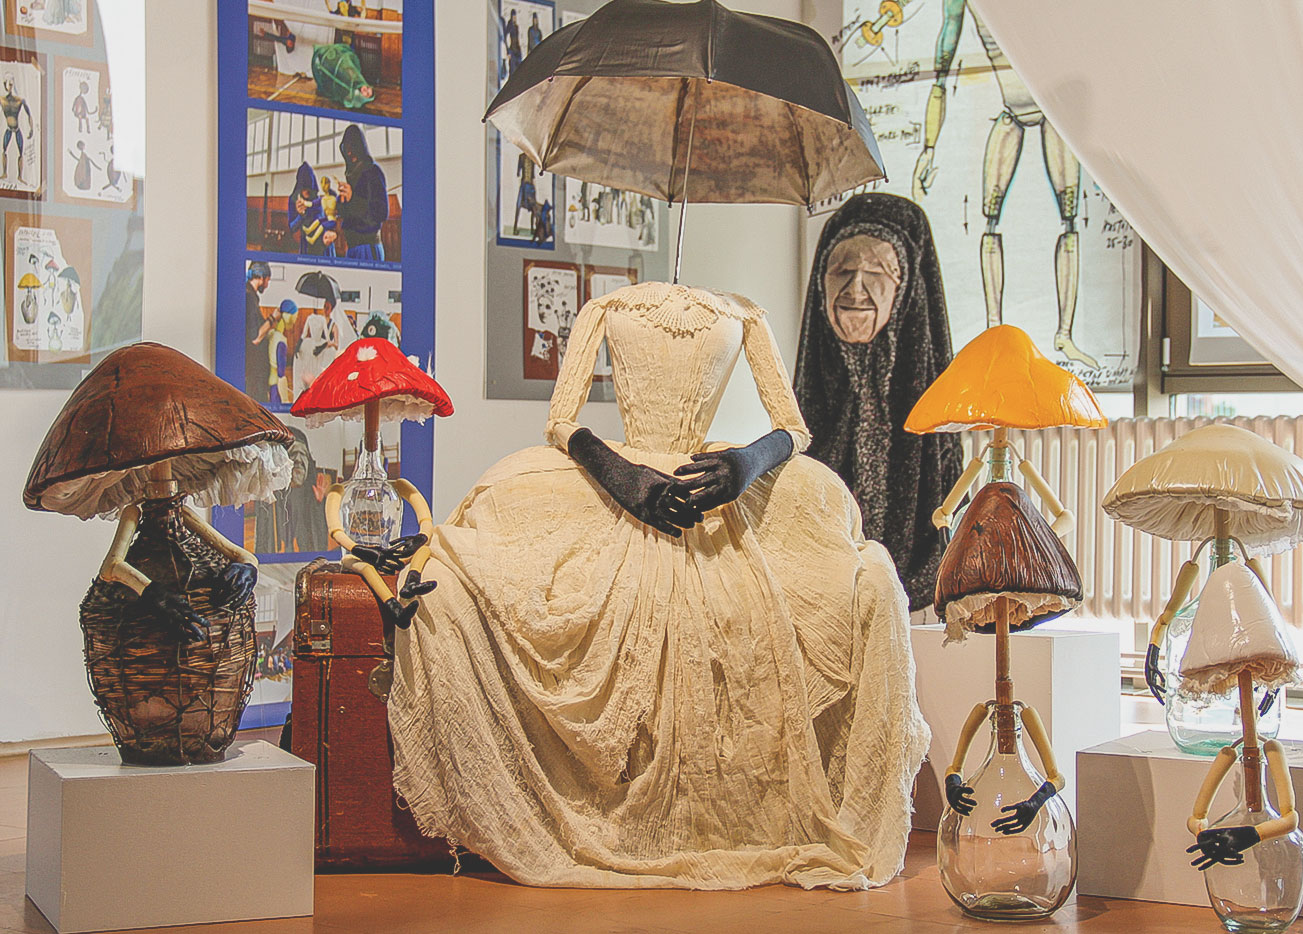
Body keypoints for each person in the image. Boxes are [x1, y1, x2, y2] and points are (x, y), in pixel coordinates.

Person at [389, 281, 929, 889]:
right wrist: (621, 476)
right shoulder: (608, 306)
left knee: (859, 576)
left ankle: (742, 813)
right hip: (628, 474)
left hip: (707, 478)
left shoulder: (744, 312)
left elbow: (794, 429)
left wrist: (745, 465)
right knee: (474, 569)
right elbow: (561, 420)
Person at [794, 193, 963, 614]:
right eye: (842, 270)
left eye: (876, 273)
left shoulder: (918, 401)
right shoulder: (817, 397)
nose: (855, 289)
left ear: (903, 290)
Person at [911, 0, 1096, 369]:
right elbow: (940, 76)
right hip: (1011, 113)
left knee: (1068, 220)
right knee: (991, 221)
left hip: (1054, 115)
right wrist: (928, 149)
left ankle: (1064, 335)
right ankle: (994, 328)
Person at [336, 125, 388, 262]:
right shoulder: (352, 175)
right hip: (353, 247)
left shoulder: (373, 171)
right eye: (347, 149)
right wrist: (341, 201)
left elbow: (381, 213)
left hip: (368, 248)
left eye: (352, 148)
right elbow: (349, 215)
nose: (349, 153)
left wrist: (352, 198)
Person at [288, 161, 336, 256]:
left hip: (323, 244)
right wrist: (301, 215)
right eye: (304, 188)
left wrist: (331, 232)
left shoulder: (318, 200)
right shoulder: (293, 200)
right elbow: (292, 228)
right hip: (307, 245)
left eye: (309, 188)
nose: (306, 191)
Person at [244, 262, 272, 398]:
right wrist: (274, 318)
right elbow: (255, 337)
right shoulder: (249, 297)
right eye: (267, 280)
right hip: (254, 370)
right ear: (261, 278)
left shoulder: (250, 295)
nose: (267, 285)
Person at [1, 74, 34, 184]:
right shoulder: (2, 100)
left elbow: (29, 114)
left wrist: (31, 128)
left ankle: (20, 176)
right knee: (4, 150)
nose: (9, 86)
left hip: (17, 129)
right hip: (8, 129)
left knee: (20, 153)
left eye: (11, 84)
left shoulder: (19, 100)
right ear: (4, 85)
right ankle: (4, 173)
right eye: (8, 84)